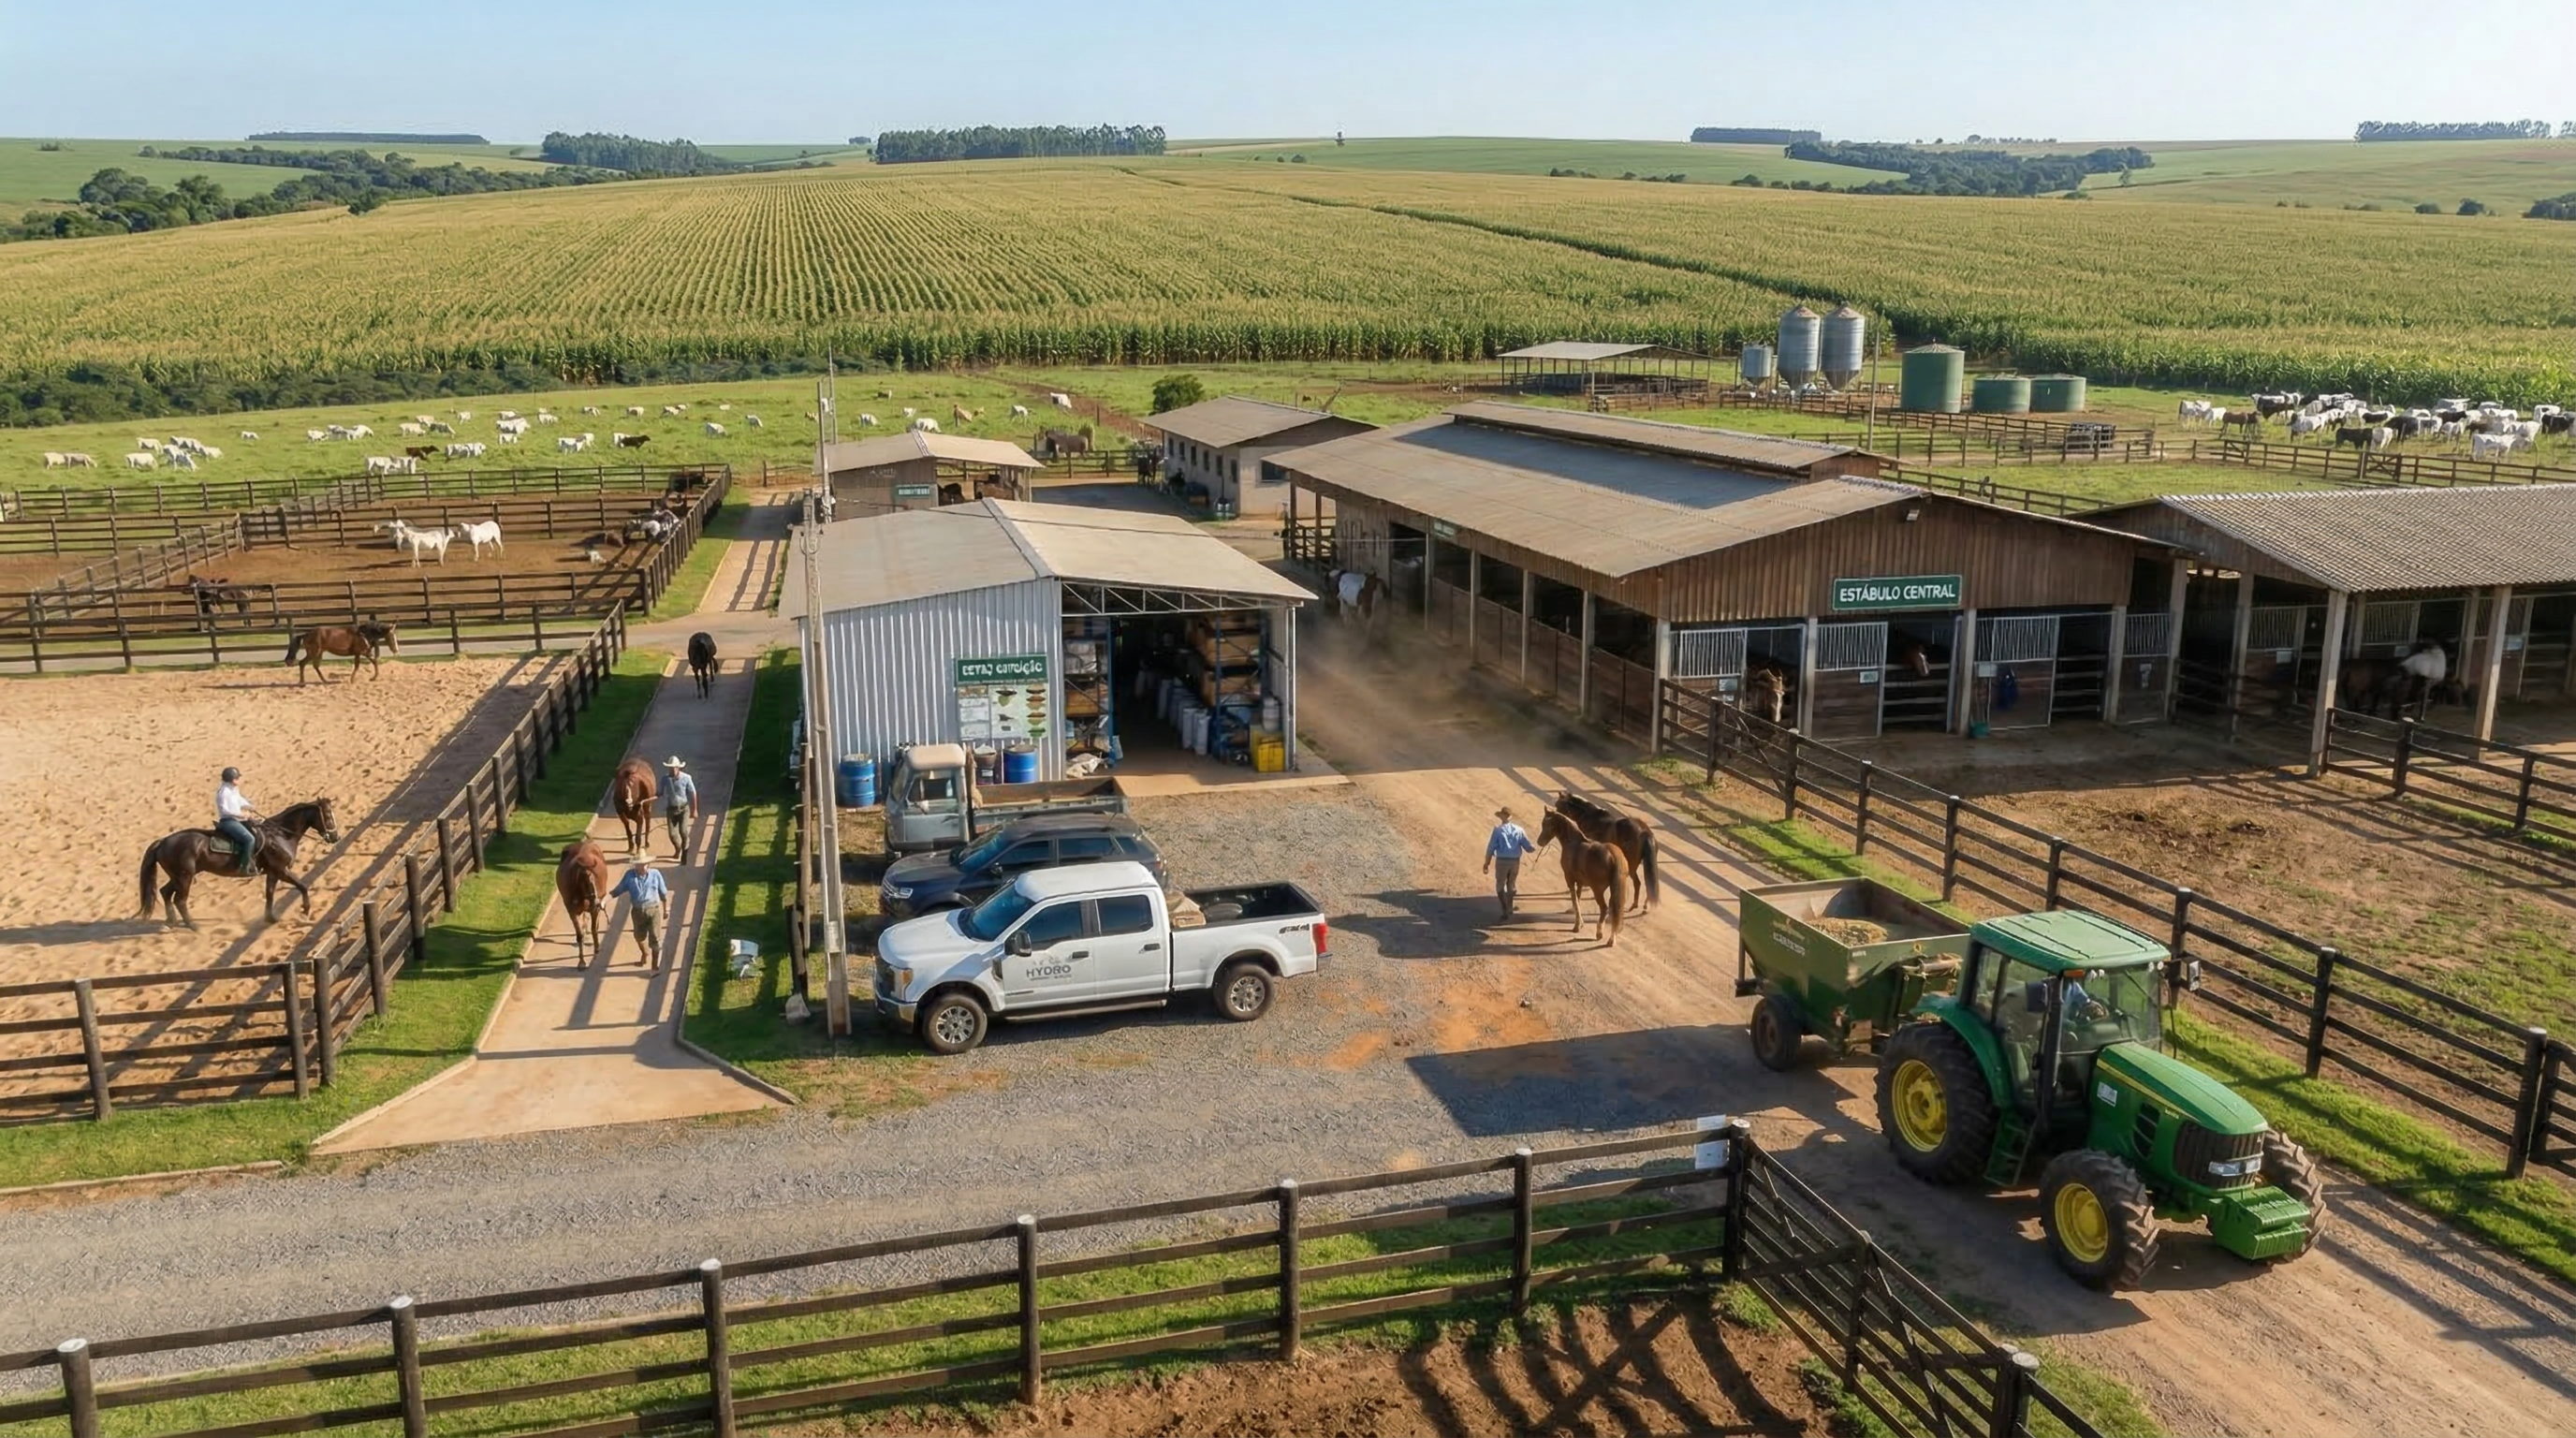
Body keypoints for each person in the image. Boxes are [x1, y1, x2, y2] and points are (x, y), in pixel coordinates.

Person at [609, 858, 669, 969]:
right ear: (635, 865)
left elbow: (663, 893)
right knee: (639, 937)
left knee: (655, 938)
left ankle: (655, 966)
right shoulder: (630, 876)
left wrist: (666, 910)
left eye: (644, 865)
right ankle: (645, 953)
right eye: (639, 865)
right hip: (637, 911)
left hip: (653, 910)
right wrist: (604, 901)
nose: (641, 867)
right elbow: (617, 890)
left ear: (649, 864)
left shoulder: (655, 874)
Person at [1483, 805, 1537, 919]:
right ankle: (1510, 906)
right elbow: (1528, 847)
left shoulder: (1498, 830)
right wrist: (1534, 848)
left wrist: (1487, 863)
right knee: (1511, 884)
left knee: (1500, 885)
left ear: (1501, 816)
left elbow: (1491, 848)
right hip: (1515, 862)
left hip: (1502, 861)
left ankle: (1504, 909)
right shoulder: (1519, 830)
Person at [214, 766, 259, 871]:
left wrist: (249, 806)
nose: (239, 780)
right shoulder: (223, 793)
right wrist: (241, 815)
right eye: (238, 778)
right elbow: (225, 811)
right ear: (233, 779)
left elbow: (239, 800)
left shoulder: (233, 789)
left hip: (237, 819)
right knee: (250, 840)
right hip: (228, 821)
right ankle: (244, 866)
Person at [661, 756, 699, 860]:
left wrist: (694, 809)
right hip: (671, 810)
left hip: (683, 809)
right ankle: (678, 848)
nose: (673, 770)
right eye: (671, 768)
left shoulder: (686, 778)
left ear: (679, 768)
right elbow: (660, 792)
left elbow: (693, 793)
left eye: (675, 767)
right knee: (672, 834)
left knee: (683, 831)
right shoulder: (665, 779)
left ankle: (685, 851)